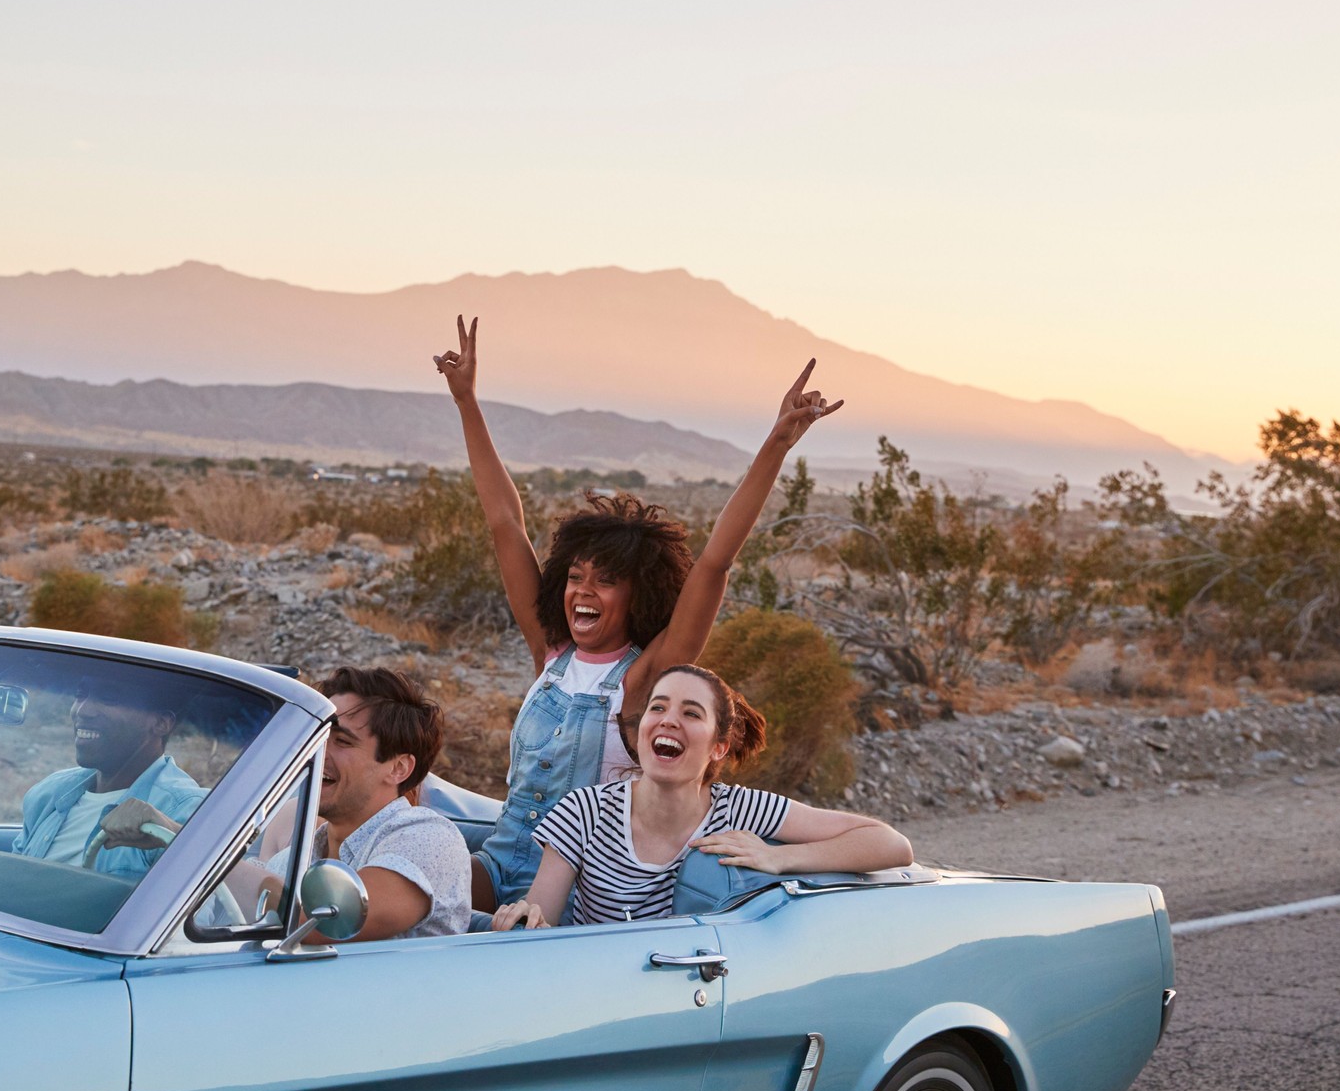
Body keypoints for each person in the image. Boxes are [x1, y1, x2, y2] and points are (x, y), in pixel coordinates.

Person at [433, 315, 842, 908]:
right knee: (410, 877)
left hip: (572, 890)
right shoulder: (551, 654)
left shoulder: (643, 679)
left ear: (642, 593)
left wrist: (777, 443)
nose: (582, 592)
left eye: (605, 581)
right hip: (499, 864)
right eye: (575, 577)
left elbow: (714, 565)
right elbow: (504, 523)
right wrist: (467, 402)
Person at [491, 664, 912, 930]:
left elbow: (892, 845)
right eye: (658, 708)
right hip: (594, 992)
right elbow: (541, 924)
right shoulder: (583, 811)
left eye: (691, 713)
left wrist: (778, 858)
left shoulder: (741, 809)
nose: (668, 720)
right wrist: (522, 920)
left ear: (718, 747)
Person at [307, 666, 472, 940]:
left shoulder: (429, 839)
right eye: (318, 735)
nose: (317, 751)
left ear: (398, 768)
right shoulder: (301, 852)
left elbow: (326, 921)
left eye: (342, 741)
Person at [11, 676, 207, 879]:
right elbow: (10, 882)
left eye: (109, 698)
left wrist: (175, 833)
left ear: (161, 723)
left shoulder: (187, 810)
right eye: (80, 695)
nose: (82, 710)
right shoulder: (50, 791)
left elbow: (204, 903)